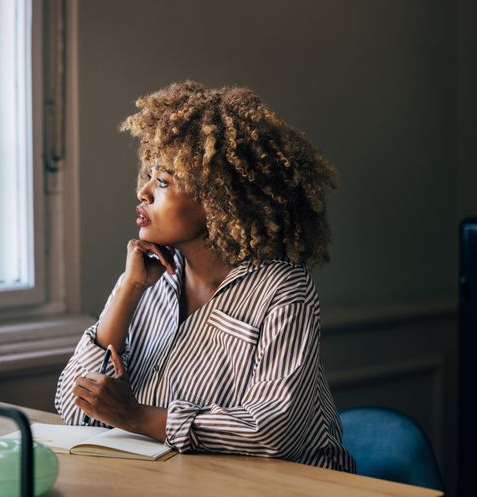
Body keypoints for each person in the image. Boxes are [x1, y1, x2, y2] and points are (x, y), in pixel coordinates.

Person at [55, 81, 355, 472]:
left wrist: (136, 416)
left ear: (218, 199)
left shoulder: (282, 291)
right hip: (193, 481)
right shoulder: (151, 280)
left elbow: (272, 431)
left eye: (163, 182)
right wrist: (128, 290)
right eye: (149, 176)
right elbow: (72, 406)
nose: (143, 192)